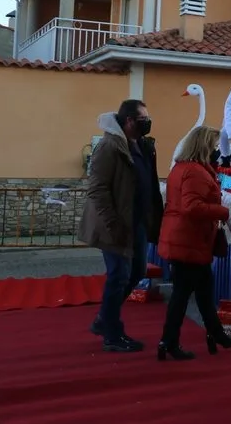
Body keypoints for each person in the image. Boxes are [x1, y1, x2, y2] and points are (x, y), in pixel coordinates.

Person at [79, 99, 164, 353]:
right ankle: (112, 333)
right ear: (128, 121)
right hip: (115, 223)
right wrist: (112, 224)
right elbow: (97, 189)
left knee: (137, 271)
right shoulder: (109, 146)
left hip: (136, 221)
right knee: (118, 275)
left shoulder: (142, 145)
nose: (147, 123)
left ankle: (104, 318)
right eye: (142, 119)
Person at [157, 126, 231, 360]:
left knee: (202, 291)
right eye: (214, 147)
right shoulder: (195, 171)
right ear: (204, 147)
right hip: (189, 240)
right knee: (183, 294)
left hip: (185, 238)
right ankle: (169, 341)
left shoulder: (183, 168)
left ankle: (215, 334)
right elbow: (191, 206)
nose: (217, 152)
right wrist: (222, 211)